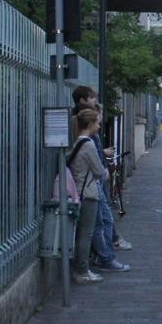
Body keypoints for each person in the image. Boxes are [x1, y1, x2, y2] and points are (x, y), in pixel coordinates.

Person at [71, 86, 133, 252]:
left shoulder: (82, 127)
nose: (94, 101)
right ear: (83, 100)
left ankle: (109, 246)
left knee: (101, 217)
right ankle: (106, 252)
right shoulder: (84, 129)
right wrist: (103, 170)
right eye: (91, 98)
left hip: (91, 179)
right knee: (100, 219)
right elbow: (91, 154)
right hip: (92, 180)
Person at [69, 109, 108, 284]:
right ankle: (82, 271)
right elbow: (99, 171)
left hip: (78, 191)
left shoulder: (77, 142)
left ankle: (80, 268)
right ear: (91, 124)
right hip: (88, 193)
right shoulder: (89, 144)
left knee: (81, 233)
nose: (99, 126)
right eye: (97, 123)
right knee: (87, 233)